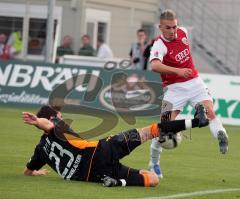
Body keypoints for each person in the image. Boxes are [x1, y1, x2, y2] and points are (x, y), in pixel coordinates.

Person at [22, 105, 208, 187]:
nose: (63, 118)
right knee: (151, 130)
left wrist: (37, 172)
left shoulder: (40, 150)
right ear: (54, 118)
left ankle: (118, 183)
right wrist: (38, 121)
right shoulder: (57, 126)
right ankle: (197, 121)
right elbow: (48, 125)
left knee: (151, 179)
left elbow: (27, 172)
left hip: (94, 176)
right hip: (99, 152)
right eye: (60, 116)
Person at [148, 9, 229, 178]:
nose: (173, 31)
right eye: (168, 28)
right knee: (163, 129)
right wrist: (177, 71)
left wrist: (184, 71)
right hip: (173, 89)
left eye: (175, 27)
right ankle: (153, 163)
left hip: (194, 83)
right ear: (160, 27)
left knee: (209, 111)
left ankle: (222, 135)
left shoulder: (183, 32)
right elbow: (154, 66)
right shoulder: (159, 44)